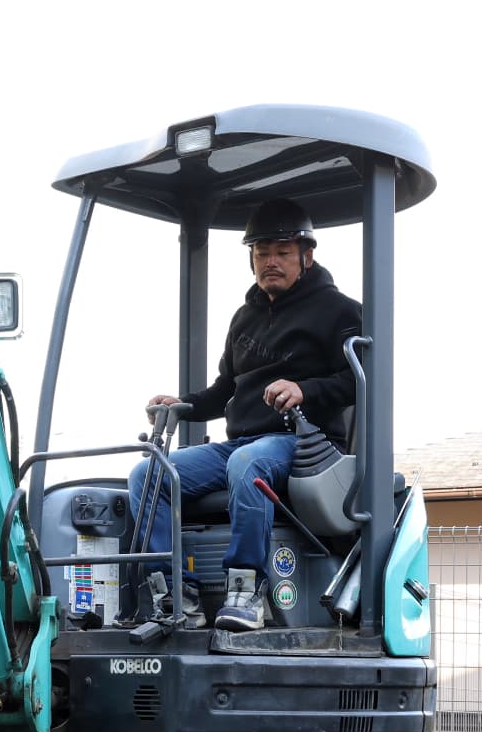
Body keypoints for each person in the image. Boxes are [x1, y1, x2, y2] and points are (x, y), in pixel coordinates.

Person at [127, 198, 361, 631]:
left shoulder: (341, 311)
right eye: (261, 252)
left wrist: (303, 390)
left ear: (307, 255)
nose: (270, 261)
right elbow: (226, 390)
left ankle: (247, 589)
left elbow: (356, 382)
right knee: (150, 473)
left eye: (282, 252)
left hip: (306, 444)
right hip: (244, 442)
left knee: (246, 464)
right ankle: (175, 593)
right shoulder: (244, 318)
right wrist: (182, 403)